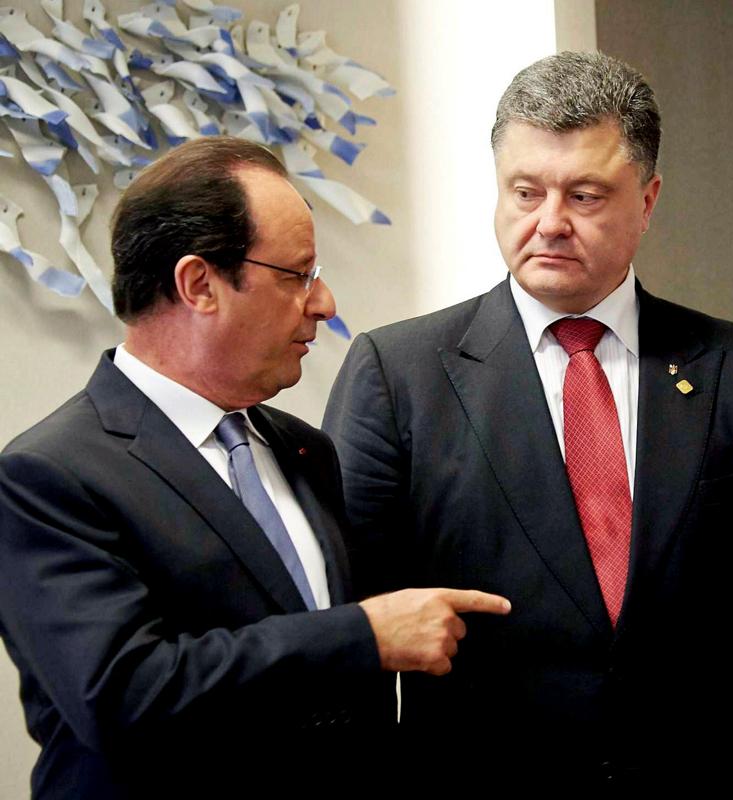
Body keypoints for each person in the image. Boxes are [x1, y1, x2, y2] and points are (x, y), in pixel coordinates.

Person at [323, 52, 733, 797]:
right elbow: (354, 629)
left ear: (649, 199)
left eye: (586, 195)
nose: (550, 224)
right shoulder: (398, 373)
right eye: (525, 192)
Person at [0, 136, 510, 800]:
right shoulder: (47, 476)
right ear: (199, 284)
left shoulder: (304, 449)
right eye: (296, 274)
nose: (324, 303)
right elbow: (124, 695)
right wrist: (360, 636)